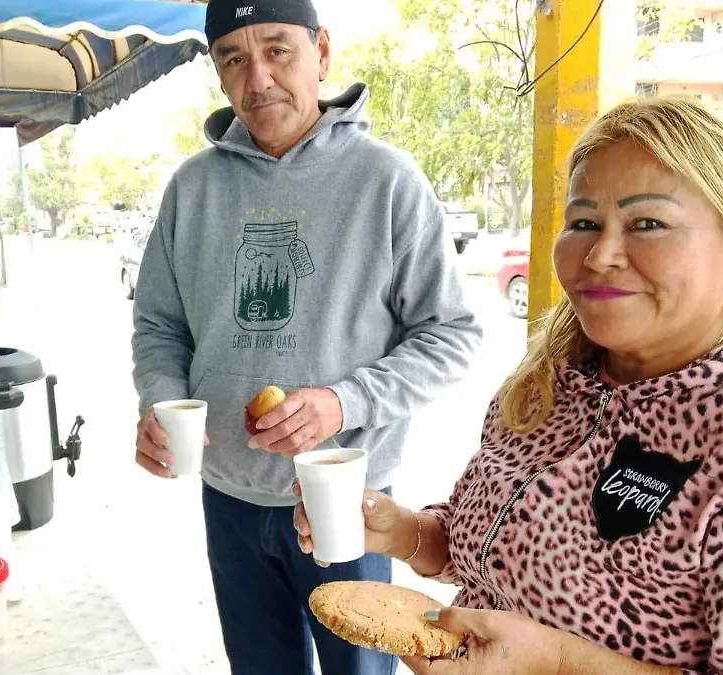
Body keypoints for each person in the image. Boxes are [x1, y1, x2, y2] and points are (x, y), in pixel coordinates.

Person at [295, 97, 723, 674]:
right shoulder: (551, 383)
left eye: (648, 223)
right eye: (584, 221)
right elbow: (488, 551)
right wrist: (405, 530)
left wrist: (556, 664)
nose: (602, 253)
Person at [131, 0, 482, 673]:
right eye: (233, 58)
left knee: (361, 668)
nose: (257, 78)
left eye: (278, 50)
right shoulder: (191, 189)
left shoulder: (387, 181)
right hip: (228, 496)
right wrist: (161, 398)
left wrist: (342, 403)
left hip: (344, 500)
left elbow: (451, 333)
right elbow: (159, 325)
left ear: (322, 51)